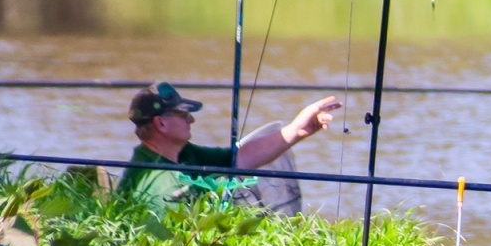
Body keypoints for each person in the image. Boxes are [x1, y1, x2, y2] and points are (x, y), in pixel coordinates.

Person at [118, 82, 340, 207]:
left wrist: (297, 130)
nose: (191, 119)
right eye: (183, 114)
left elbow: (238, 159)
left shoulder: (181, 153)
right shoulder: (164, 185)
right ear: (161, 123)